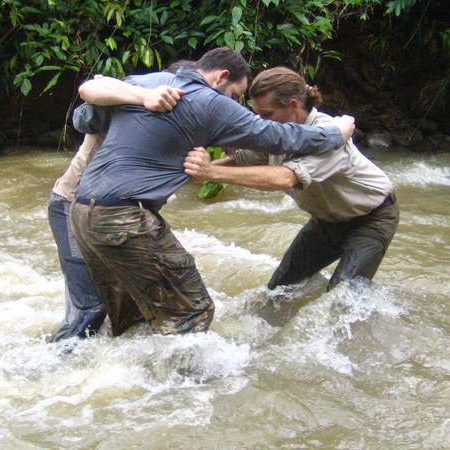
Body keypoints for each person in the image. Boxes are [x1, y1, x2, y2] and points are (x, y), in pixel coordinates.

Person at [70, 47, 356, 337]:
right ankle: (185, 382)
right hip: (125, 219)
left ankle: (127, 378)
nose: (234, 103)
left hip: (82, 212)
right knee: (192, 311)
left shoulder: (149, 83)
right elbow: (282, 136)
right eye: (235, 95)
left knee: (133, 319)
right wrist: (338, 131)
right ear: (221, 76)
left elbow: (84, 117)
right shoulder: (212, 102)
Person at [184, 67, 398, 292]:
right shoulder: (277, 131)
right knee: (279, 289)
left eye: (266, 114)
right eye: (256, 114)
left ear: (293, 105)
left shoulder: (328, 135)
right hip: (326, 221)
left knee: (341, 296)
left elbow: (285, 178)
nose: (259, 121)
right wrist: (192, 174)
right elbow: (244, 160)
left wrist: (211, 173)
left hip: (372, 218)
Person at [46, 78, 186, 342]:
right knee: (90, 310)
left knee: (131, 308)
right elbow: (87, 98)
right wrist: (144, 97)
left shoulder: (184, 118)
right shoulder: (132, 99)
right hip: (71, 207)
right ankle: (48, 370)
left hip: (115, 217)